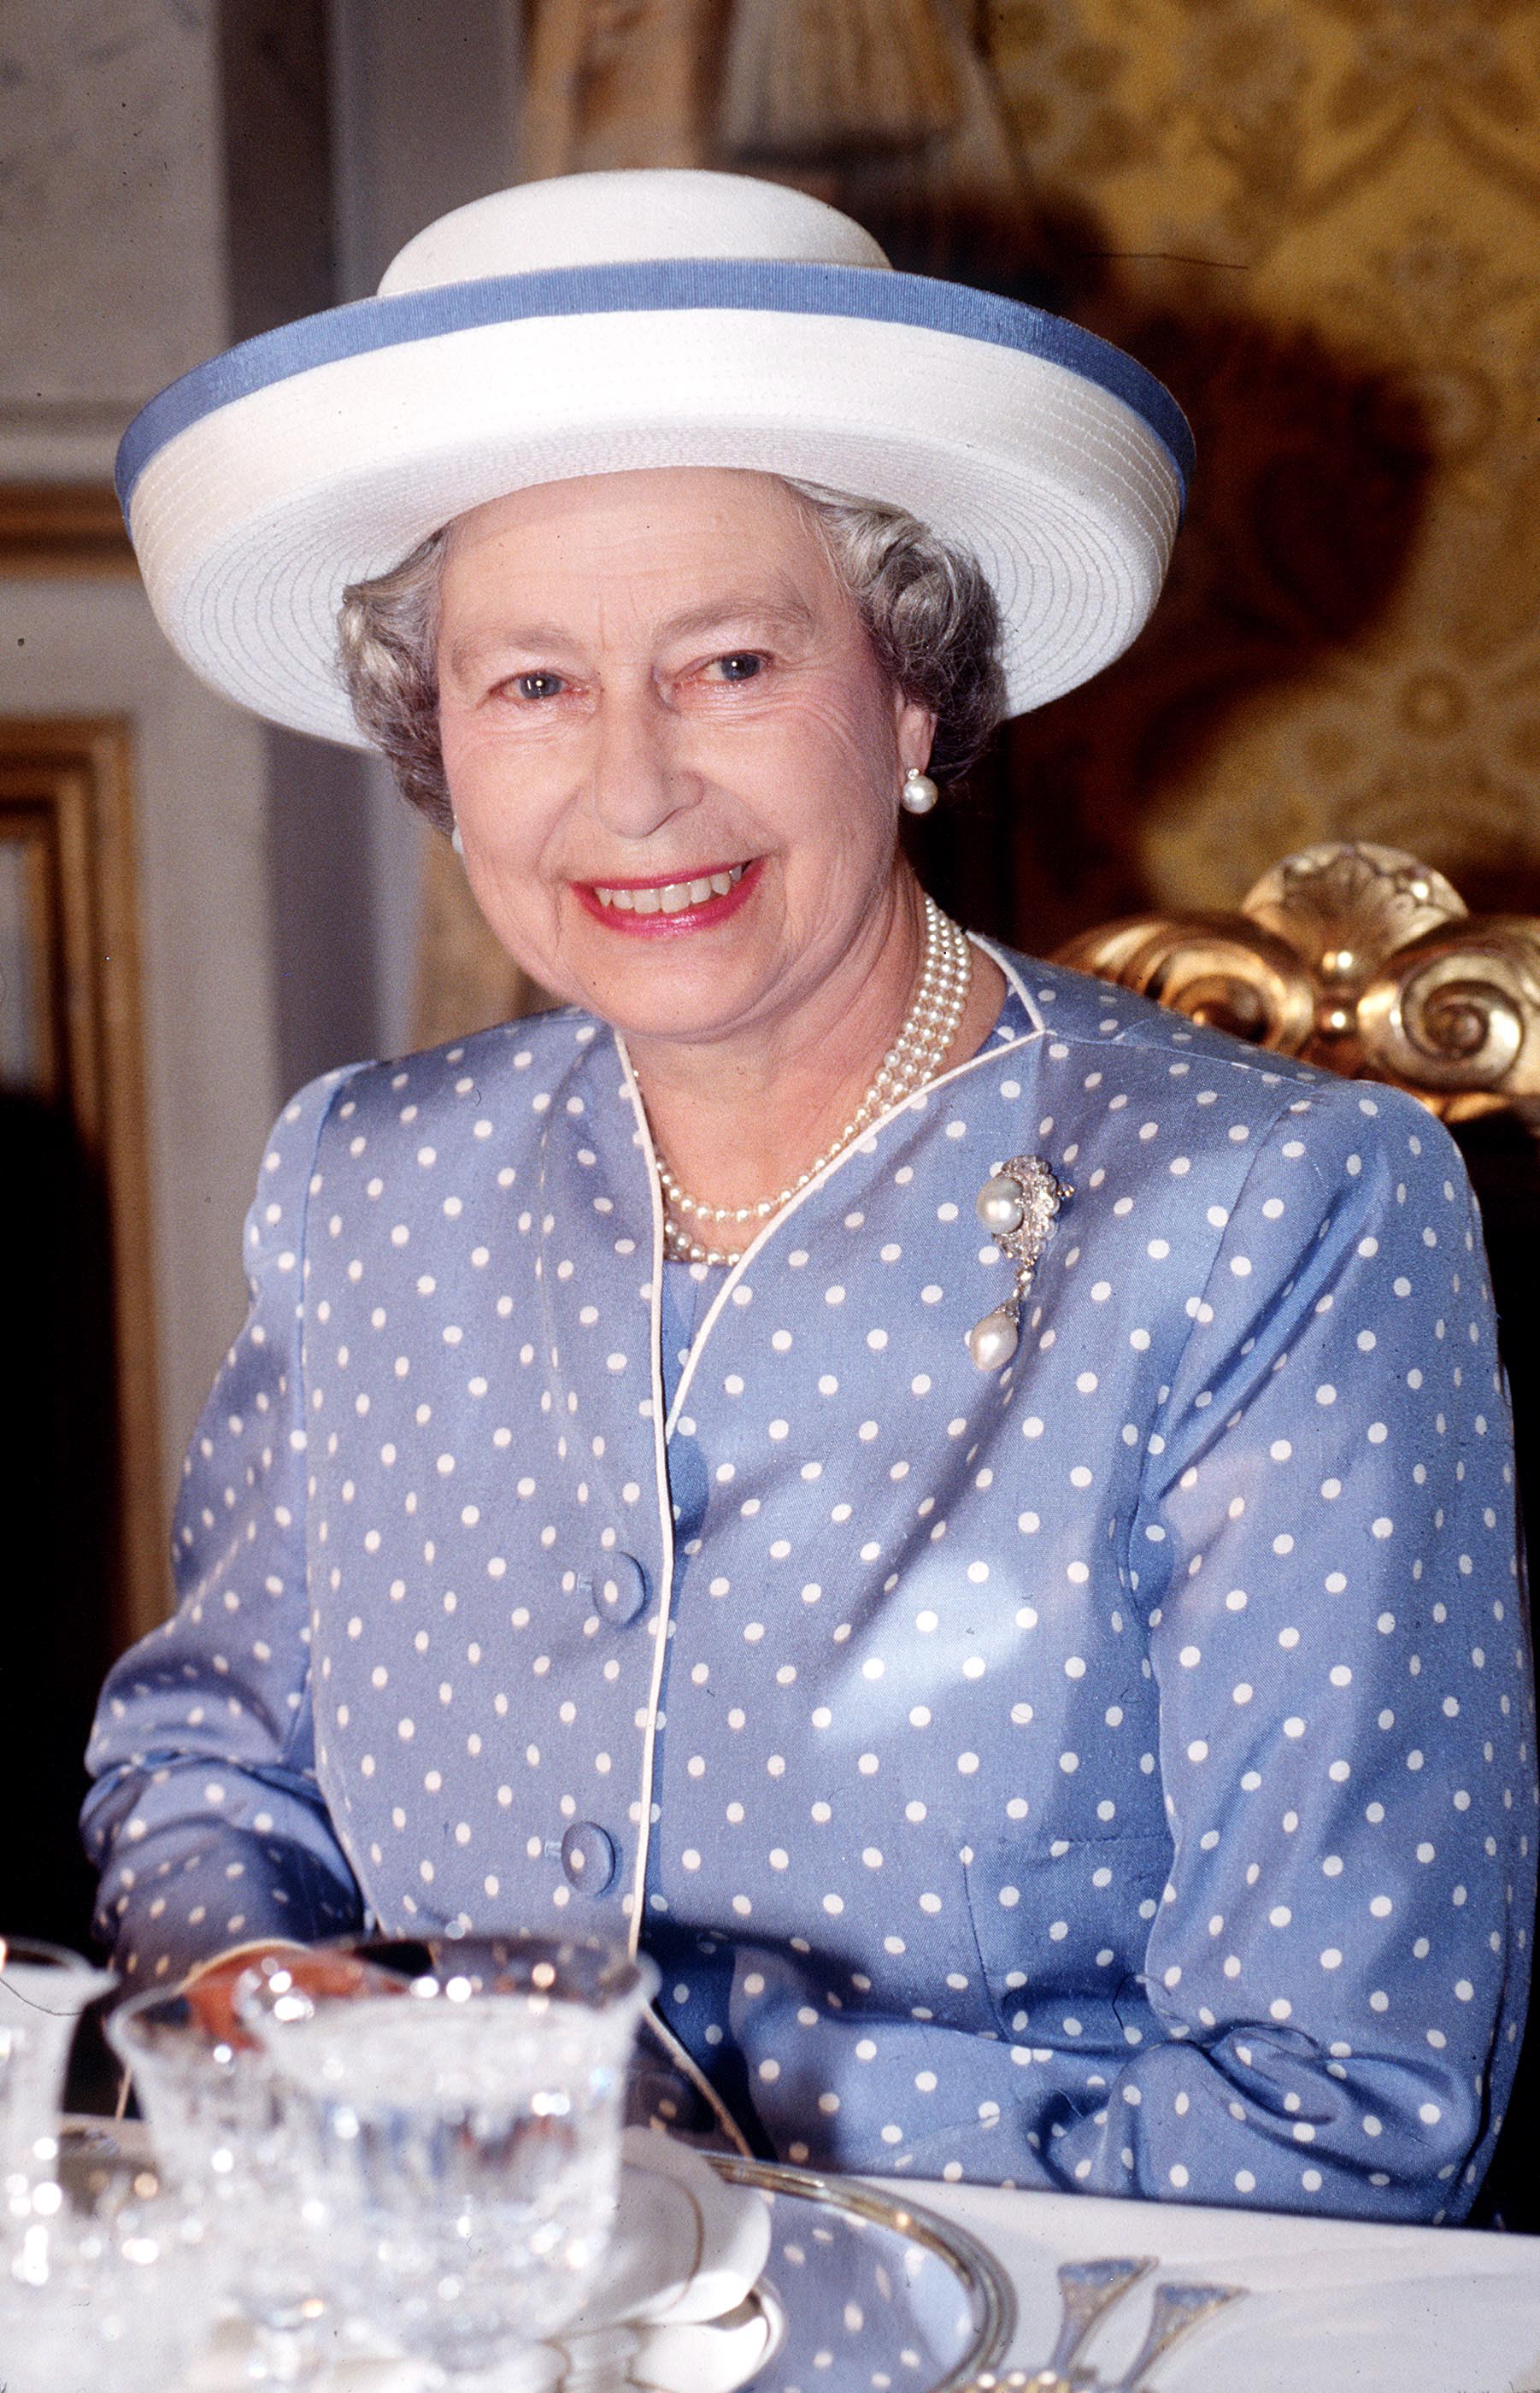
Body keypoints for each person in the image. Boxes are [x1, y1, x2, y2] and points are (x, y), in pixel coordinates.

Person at [85, 168, 1534, 2221]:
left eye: (733, 663)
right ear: (439, 747)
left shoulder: (1266, 1216)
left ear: (910, 693)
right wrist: (254, 1986)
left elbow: (1343, 2105)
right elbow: (207, 1764)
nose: (633, 786)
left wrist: (584, 2117)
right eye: (532, 685)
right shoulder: (366, 1180)